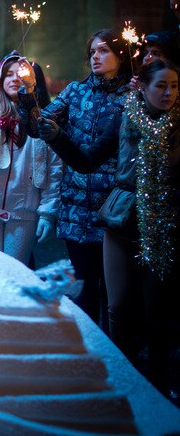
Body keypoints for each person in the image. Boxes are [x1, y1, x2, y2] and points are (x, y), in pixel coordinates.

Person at [36, 59, 178, 394]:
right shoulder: (126, 117)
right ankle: (122, 381)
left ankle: (158, 387)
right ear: (143, 88)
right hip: (122, 222)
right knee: (117, 307)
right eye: (161, 86)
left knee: (156, 310)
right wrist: (57, 138)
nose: (168, 93)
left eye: (174, 86)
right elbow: (87, 161)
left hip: (165, 225)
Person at [18, 28, 133, 326]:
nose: (96, 56)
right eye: (92, 51)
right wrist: (28, 93)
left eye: (104, 50)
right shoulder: (76, 91)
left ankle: (114, 349)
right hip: (76, 207)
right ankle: (86, 345)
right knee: (83, 288)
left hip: (114, 209)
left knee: (115, 295)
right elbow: (37, 127)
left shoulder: (131, 97)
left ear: (121, 55)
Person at [0, 54, 62, 264]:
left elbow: (54, 170)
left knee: (14, 271)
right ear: (0, 80)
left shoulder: (44, 121)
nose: (15, 79)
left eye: (21, 74)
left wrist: (47, 213)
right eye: (8, 74)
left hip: (24, 212)